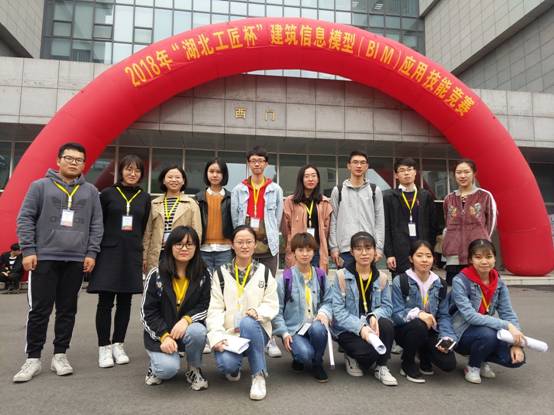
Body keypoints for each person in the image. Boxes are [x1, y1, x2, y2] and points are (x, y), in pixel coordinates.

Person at [13, 142, 103, 383]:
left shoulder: (91, 191)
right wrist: (28, 250)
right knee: (39, 310)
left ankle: (60, 355)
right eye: (69, 158)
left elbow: (96, 225)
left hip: (76, 260)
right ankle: (33, 358)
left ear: (84, 164)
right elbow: (25, 218)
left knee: (67, 310)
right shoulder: (39, 186)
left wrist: (91, 253)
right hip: (44, 258)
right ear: (58, 160)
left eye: (78, 160)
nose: (73, 163)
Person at [87, 155, 151, 368]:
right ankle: (104, 347)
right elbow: (97, 224)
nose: (133, 173)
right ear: (120, 171)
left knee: (126, 302)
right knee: (105, 302)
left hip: (131, 253)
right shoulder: (107, 194)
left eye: (137, 170)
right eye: (128, 169)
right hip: (108, 253)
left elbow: (143, 227)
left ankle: (118, 344)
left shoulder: (145, 197)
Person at [206, 225, 279, 400]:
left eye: (249, 242)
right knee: (227, 366)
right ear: (232, 245)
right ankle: (234, 366)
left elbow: (272, 303)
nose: (244, 246)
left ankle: (258, 375)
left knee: (247, 322)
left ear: (255, 245)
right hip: (230, 333)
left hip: (257, 330)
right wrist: (216, 337)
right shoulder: (221, 273)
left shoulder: (264, 272)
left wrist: (258, 312)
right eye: (240, 242)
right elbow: (215, 309)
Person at [141, 226, 211, 389]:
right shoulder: (156, 274)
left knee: (198, 331)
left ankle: (194, 368)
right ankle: (155, 366)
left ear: (196, 248)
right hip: (161, 333)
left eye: (189, 244)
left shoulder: (204, 274)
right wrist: (164, 336)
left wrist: (187, 320)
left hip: (187, 329)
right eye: (179, 244)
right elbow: (147, 312)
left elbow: (206, 305)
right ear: (170, 246)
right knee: (167, 370)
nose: (184, 248)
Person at [231, 146, 283, 358]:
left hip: (268, 246)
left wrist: (267, 236)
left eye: (261, 160)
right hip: (246, 247)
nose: (257, 164)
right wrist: (242, 241)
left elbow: (277, 218)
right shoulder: (239, 189)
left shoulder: (275, 189)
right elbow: (235, 218)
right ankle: (241, 332)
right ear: (248, 163)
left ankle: (269, 338)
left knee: (268, 291)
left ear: (266, 164)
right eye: (253, 160)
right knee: (243, 290)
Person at [451, 239, 525, 384]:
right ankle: (473, 366)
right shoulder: (460, 281)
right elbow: (470, 316)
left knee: (515, 359)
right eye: (478, 257)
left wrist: (516, 343)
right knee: (489, 335)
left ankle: (482, 357)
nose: (484, 261)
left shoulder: (499, 283)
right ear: (470, 260)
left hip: (485, 329)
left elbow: (508, 313)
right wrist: (507, 326)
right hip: (462, 331)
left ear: (494, 259)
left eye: (489, 257)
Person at [330, 231, 397, 386]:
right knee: (367, 354)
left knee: (386, 324)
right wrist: (361, 328)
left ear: (375, 251)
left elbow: (387, 307)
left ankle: (381, 367)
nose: (364, 253)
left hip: (372, 326)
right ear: (352, 252)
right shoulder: (341, 276)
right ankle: (350, 355)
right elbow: (338, 312)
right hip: (348, 329)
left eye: (368, 248)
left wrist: (373, 315)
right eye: (359, 249)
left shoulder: (382, 278)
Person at [391, 240, 456, 383]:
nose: (424, 260)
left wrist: (446, 337)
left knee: (448, 364)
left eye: (428, 256)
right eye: (419, 255)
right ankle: (407, 362)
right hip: (406, 330)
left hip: (431, 330)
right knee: (419, 325)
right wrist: (418, 314)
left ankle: (424, 353)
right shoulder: (400, 281)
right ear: (411, 258)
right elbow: (396, 314)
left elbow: (444, 315)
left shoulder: (440, 283)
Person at [272, 232, 332, 382]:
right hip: (294, 329)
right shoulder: (285, 278)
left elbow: (329, 300)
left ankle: (317, 363)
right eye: (300, 250)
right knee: (305, 354)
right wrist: (284, 333)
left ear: (314, 252)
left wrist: (324, 312)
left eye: (309, 250)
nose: (305, 254)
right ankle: (299, 357)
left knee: (318, 329)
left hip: (315, 324)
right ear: (294, 253)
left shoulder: (320, 275)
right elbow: (277, 311)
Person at [442, 159, 497, 285]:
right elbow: (447, 223)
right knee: (455, 290)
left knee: (478, 289)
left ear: (474, 173)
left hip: (478, 254)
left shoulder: (484, 196)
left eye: (466, 172)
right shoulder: (449, 198)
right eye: (458, 172)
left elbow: (491, 224)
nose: (462, 176)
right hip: (454, 254)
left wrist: (483, 240)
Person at [329, 151, 385, 270]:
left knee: (367, 281)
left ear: (367, 166)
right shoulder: (338, 191)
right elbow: (333, 220)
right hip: (345, 249)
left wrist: (379, 247)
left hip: (368, 249)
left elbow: (380, 221)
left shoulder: (374, 190)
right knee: (345, 281)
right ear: (349, 166)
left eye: (362, 163)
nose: (359, 166)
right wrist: (334, 247)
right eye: (355, 162)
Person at [384, 158, 438, 277]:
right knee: (401, 283)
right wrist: (389, 254)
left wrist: (430, 251)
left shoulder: (425, 196)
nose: (406, 173)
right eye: (402, 170)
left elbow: (433, 225)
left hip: (422, 251)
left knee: (422, 283)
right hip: (399, 251)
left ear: (415, 172)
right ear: (396, 175)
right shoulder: (389, 197)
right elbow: (386, 227)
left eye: (409, 169)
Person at [143, 165, 202, 273]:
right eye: (170, 177)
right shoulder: (154, 203)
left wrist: (193, 254)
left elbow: (197, 233)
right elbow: (148, 232)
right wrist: (144, 257)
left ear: (183, 181)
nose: (174, 180)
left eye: (178, 177)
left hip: (181, 252)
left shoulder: (192, 204)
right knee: (157, 281)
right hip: (158, 253)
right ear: (163, 181)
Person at [282, 165, 333, 271]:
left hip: (316, 250)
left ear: (318, 179)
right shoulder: (290, 201)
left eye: (314, 176)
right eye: (307, 176)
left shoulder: (324, 202)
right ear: (301, 179)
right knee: (297, 279)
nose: (311, 179)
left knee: (317, 279)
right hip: (297, 250)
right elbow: (286, 229)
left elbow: (327, 228)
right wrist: (291, 244)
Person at [195, 158, 233, 271]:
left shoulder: (231, 198)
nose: (215, 175)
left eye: (219, 172)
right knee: (205, 280)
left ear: (224, 174)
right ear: (206, 173)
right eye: (211, 171)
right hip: (203, 249)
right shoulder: (198, 198)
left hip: (225, 249)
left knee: (223, 280)